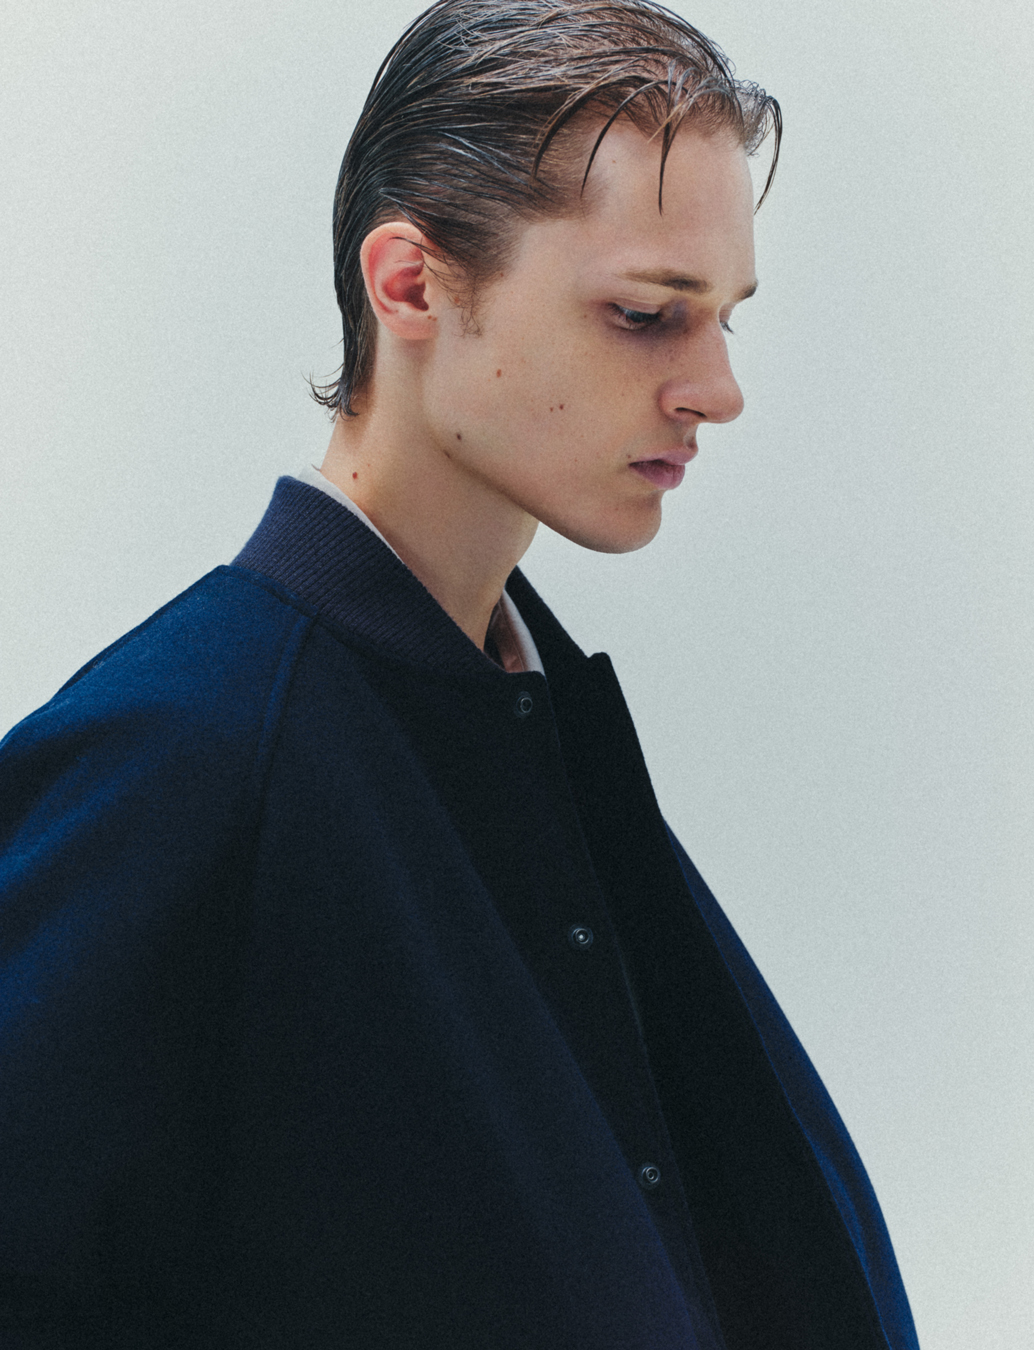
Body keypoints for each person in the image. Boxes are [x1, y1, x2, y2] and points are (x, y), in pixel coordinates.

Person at [0, 1, 920, 1346]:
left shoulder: (524, 714)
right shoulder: (183, 753)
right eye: (647, 314)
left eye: (724, 319)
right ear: (411, 286)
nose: (717, 389)